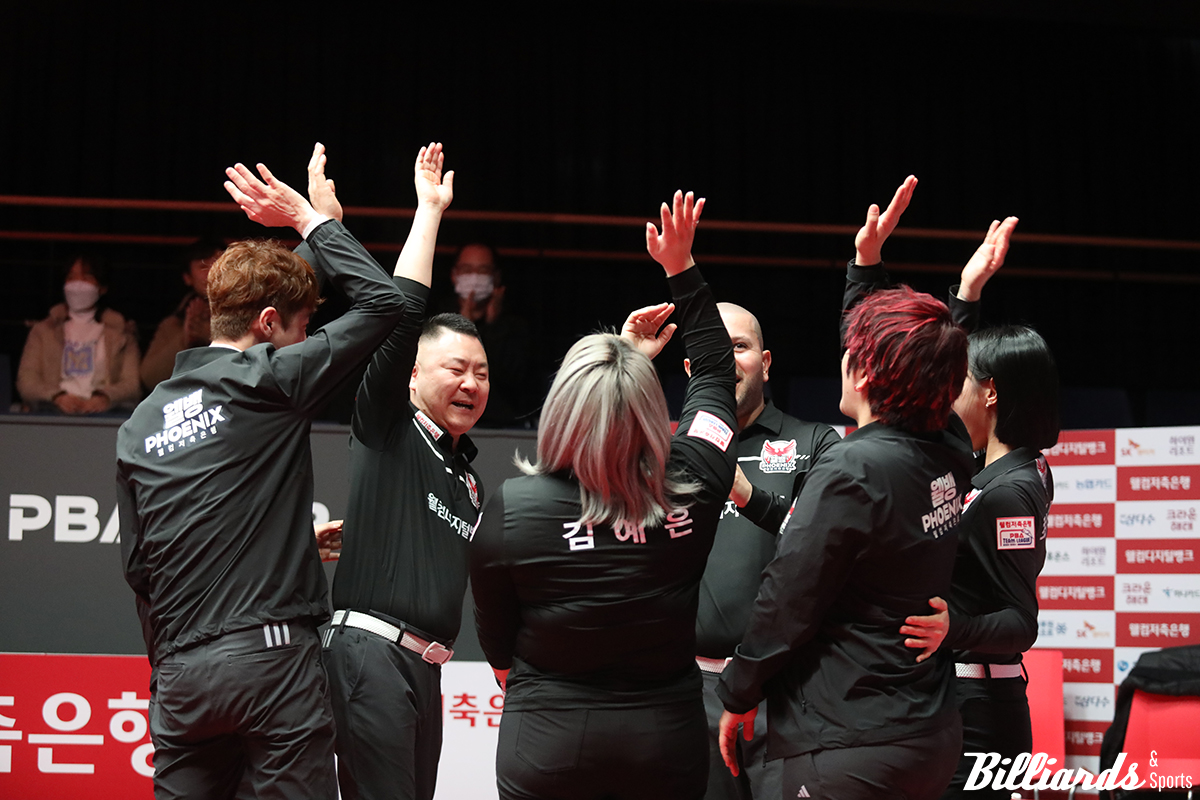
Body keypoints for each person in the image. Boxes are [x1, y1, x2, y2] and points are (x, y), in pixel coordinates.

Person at [116, 144, 407, 800]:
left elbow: (139, 568)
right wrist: (311, 223)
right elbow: (385, 304)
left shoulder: (141, 424)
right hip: (272, 666)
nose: (310, 344)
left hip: (182, 680)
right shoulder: (269, 379)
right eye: (305, 329)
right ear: (272, 325)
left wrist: (321, 229)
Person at [471, 190, 738, 800]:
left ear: (561, 405)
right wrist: (681, 270)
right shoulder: (694, 483)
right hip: (663, 745)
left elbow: (496, 639)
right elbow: (717, 374)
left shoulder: (514, 507)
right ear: (653, 412)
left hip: (547, 743)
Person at [716, 281, 976, 800]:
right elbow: (935, 368)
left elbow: (789, 596)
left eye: (852, 352)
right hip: (930, 731)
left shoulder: (851, 465)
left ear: (863, 372)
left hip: (849, 742)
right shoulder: (952, 449)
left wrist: (738, 689)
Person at [320, 143, 482, 800]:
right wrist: (429, 212)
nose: (472, 382)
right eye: (456, 369)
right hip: (374, 658)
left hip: (423, 671)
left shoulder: (467, 477)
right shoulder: (388, 422)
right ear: (412, 375)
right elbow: (401, 312)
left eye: (483, 373)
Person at [687, 302, 841, 800]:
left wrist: (748, 494)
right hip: (698, 692)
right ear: (692, 368)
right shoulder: (673, 455)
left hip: (789, 691)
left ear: (766, 361)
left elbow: (826, 553)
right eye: (715, 349)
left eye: (740, 347)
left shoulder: (814, 442)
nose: (728, 360)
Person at [17, 254, 141, 413]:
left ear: (102, 288)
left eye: (86, 277)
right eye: (71, 277)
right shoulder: (43, 330)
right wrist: (57, 397)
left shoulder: (121, 332)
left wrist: (105, 398)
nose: (78, 284)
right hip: (51, 414)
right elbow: (27, 381)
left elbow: (132, 385)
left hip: (104, 416)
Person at [448, 243, 534, 427]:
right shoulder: (438, 321)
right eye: (467, 270)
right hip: (450, 423)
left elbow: (515, 382)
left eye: (483, 270)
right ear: (454, 275)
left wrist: (493, 327)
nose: (474, 277)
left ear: (495, 277)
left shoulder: (515, 326)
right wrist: (465, 326)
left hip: (503, 427)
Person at [140, 236, 225, 391]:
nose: (213, 271)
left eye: (218, 263)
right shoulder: (173, 324)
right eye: (202, 266)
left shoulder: (253, 316)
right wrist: (185, 339)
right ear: (187, 278)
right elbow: (149, 379)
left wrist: (212, 336)